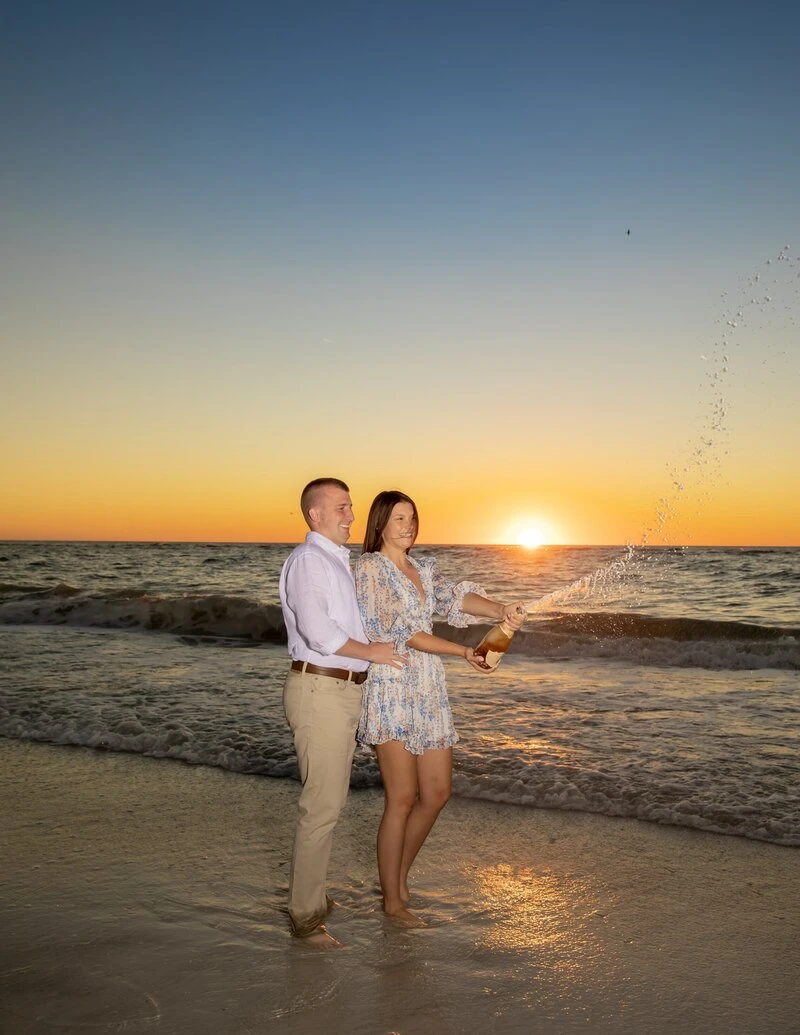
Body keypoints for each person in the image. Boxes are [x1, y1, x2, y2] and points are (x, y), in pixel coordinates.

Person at [355, 490, 526, 925]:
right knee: (402, 798)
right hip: (393, 686)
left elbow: (455, 600)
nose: (408, 525)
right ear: (380, 524)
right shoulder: (371, 569)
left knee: (436, 793)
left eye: (412, 517)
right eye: (398, 518)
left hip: (428, 688)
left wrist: (502, 609)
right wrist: (463, 651)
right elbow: (405, 632)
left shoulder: (422, 569)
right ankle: (392, 901)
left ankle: (397, 876)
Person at [279, 477, 406, 949]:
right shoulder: (309, 561)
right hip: (320, 689)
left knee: (328, 802)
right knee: (322, 807)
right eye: (341, 508)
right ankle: (306, 917)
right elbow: (318, 632)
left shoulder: (335, 561)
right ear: (314, 515)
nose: (351, 516)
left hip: (338, 691)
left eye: (350, 508)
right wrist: (371, 652)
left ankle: (308, 895)